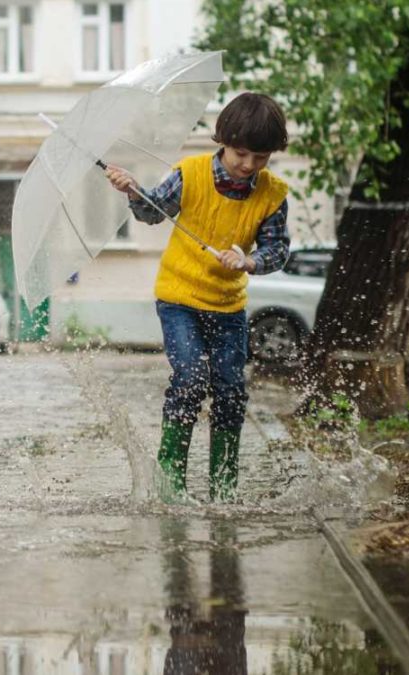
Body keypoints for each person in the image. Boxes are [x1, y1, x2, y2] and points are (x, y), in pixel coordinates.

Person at [105, 92, 290, 502]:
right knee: (189, 380)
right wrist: (133, 191)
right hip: (179, 299)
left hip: (229, 307)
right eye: (241, 153)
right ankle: (171, 487)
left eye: (261, 157)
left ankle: (223, 489)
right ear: (223, 140)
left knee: (230, 390)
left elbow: (278, 250)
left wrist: (251, 261)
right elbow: (152, 212)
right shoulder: (190, 174)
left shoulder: (272, 194)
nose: (249, 165)